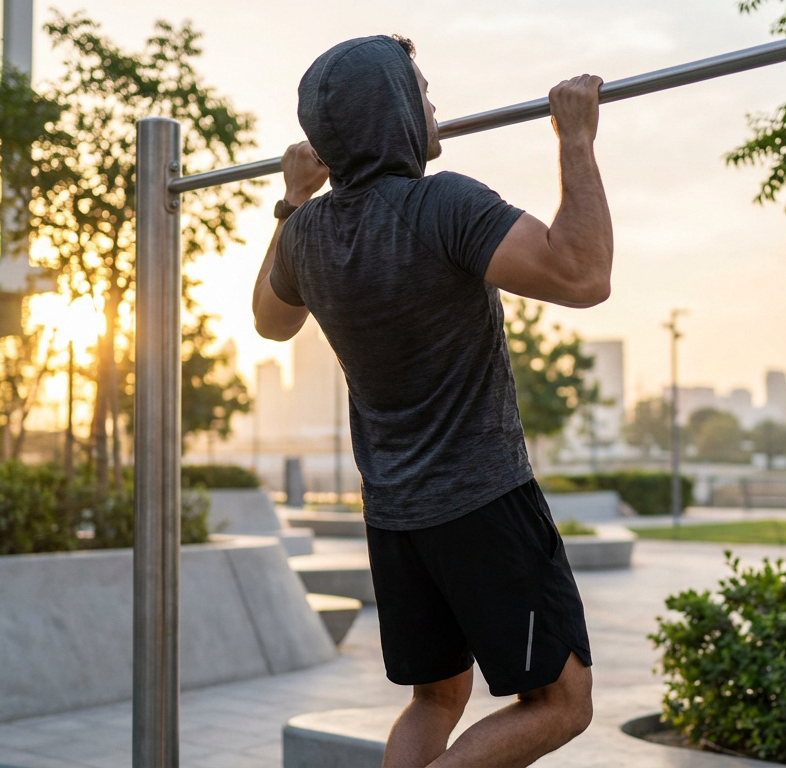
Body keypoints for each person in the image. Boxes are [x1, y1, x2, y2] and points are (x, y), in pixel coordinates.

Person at [252, 34, 613, 767]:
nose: (433, 103)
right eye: (420, 91)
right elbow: (583, 275)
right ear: (391, 111)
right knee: (561, 703)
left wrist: (292, 201)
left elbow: (270, 321)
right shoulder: (442, 205)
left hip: (394, 516)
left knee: (435, 700)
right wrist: (576, 139)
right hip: (483, 502)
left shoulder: (306, 235)